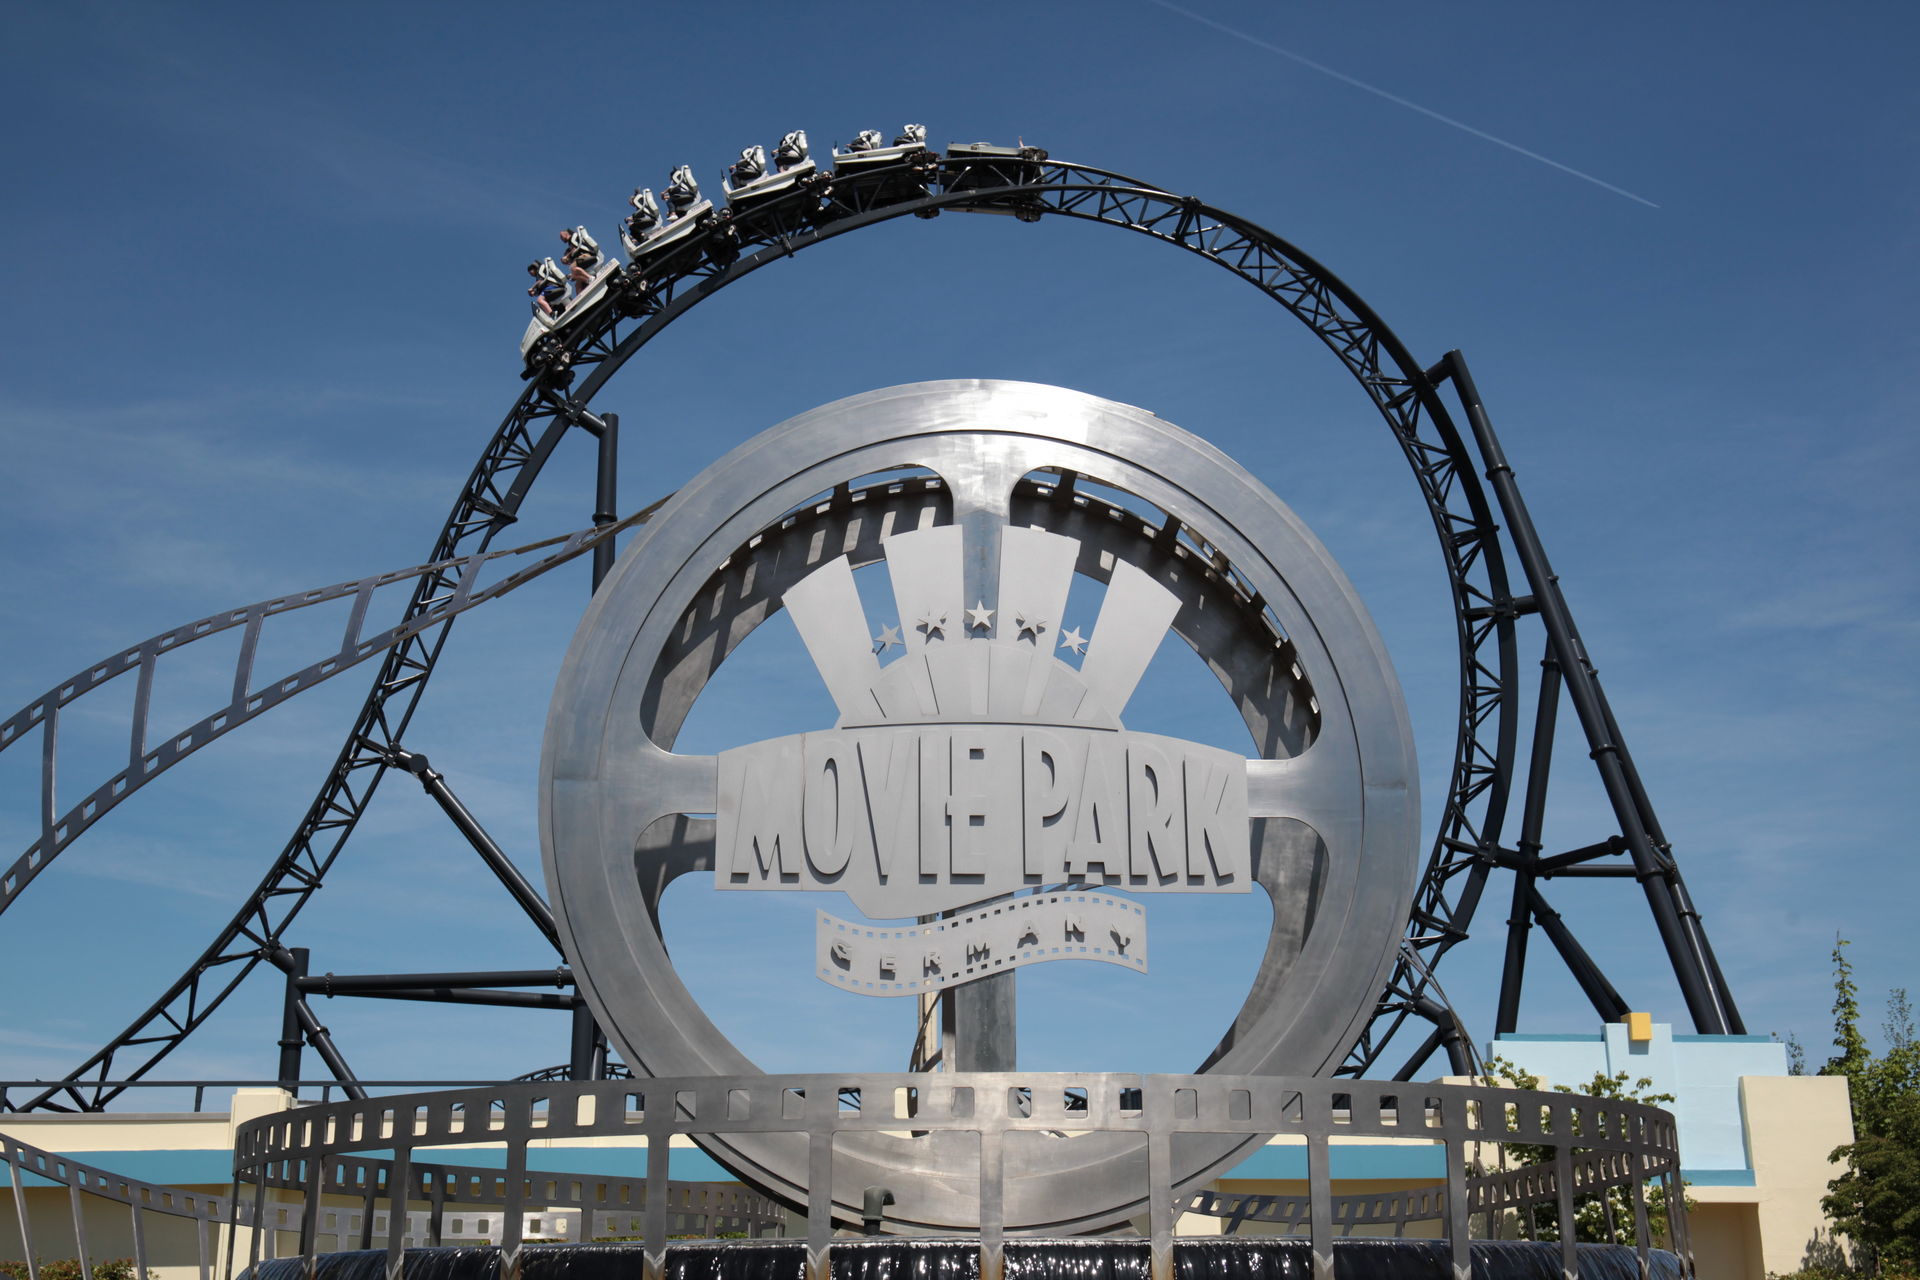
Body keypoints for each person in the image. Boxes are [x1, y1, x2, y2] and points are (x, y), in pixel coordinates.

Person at [559, 226, 602, 297]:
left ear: (565, 233)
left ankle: (589, 278)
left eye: (561, 236)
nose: (561, 239)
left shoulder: (573, 237)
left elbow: (575, 248)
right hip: (582, 261)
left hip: (586, 255)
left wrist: (567, 256)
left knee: (572, 267)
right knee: (577, 284)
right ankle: (580, 297)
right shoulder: (570, 244)